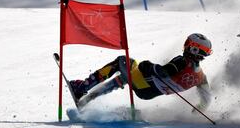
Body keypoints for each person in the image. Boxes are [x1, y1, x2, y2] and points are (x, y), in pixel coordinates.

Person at [69, 33, 213, 111]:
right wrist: (199, 109)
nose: (185, 46)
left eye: (187, 44)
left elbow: (163, 72)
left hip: (144, 84)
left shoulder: (181, 61)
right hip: (149, 93)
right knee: (128, 74)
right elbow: (206, 100)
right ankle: (88, 99)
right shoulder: (200, 76)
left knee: (123, 61)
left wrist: (148, 66)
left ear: (193, 48)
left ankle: (82, 88)